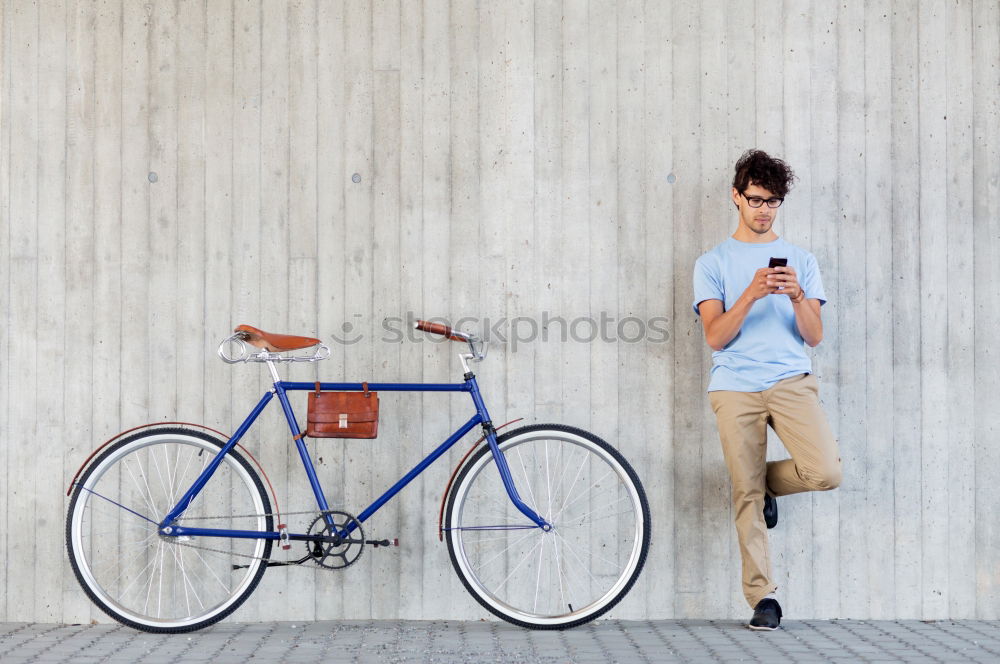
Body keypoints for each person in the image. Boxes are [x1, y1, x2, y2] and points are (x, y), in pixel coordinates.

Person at [692, 149, 842, 630]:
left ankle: (760, 485)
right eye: (755, 199)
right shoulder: (712, 262)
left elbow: (814, 336)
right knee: (745, 497)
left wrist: (797, 295)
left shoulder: (802, 260)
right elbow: (715, 336)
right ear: (736, 196)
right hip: (734, 386)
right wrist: (751, 293)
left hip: (791, 381)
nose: (764, 210)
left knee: (824, 472)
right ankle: (763, 599)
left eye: (773, 202)